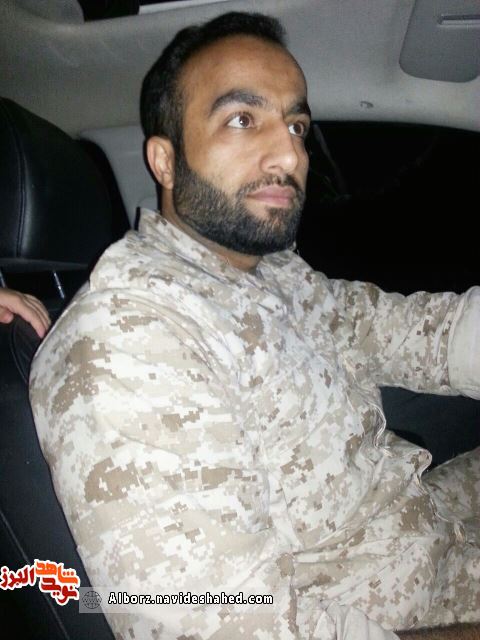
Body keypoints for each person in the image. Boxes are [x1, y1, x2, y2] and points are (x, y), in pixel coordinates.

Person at [29, 12, 480, 640]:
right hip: (401, 613)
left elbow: (409, 332)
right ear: (164, 161)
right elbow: (216, 622)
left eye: (296, 125)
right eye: (242, 119)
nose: (291, 153)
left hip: (427, 525)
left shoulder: (272, 272)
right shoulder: (128, 337)